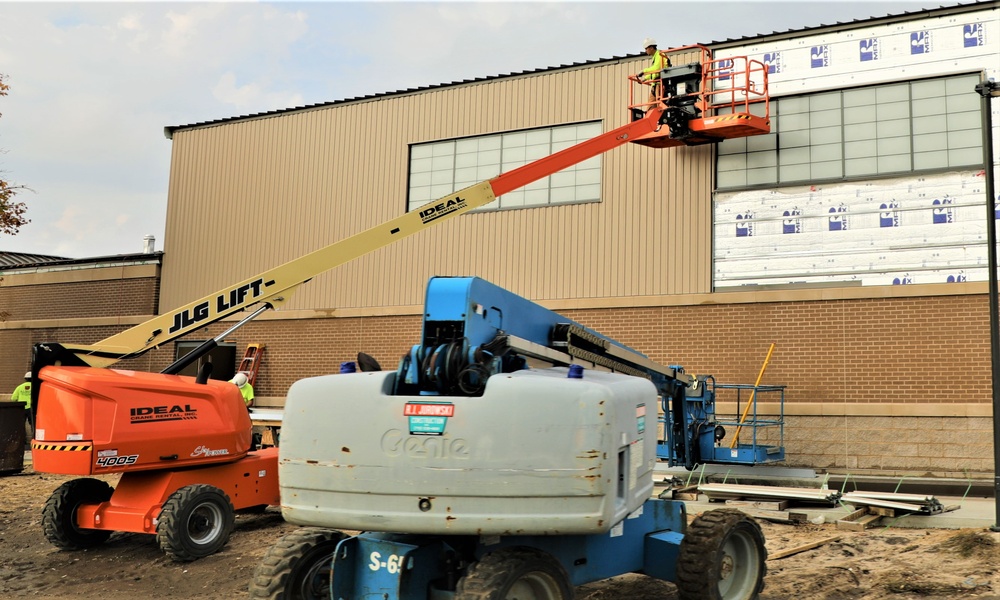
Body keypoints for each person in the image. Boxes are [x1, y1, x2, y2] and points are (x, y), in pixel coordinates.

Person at [636, 37, 666, 106]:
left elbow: (657, 68)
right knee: (650, 108)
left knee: (660, 107)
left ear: (651, 48)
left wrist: (643, 71)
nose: (646, 51)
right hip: (655, 85)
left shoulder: (660, 55)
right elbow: (654, 72)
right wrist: (645, 78)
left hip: (660, 84)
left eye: (646, 49)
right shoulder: (655, 57)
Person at [11, 371, 32, 438]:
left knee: (21, 425)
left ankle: (23, 440)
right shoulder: (36, 387)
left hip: (21, 408)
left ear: (25, 379)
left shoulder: (19, 387)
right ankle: (33, 438)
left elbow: (13, 399)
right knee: (33, 424)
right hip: (31, 408)